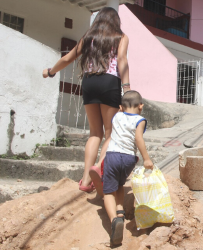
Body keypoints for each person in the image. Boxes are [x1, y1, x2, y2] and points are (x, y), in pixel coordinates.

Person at [42, 7, 131, 192]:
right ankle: (98, 168)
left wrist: (51, 71)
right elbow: (122, 59)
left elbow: (67, 58)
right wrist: (127, 88)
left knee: (94, 133)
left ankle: (84, 180)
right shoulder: (121, 37)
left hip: (89, 82)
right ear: (116, 21)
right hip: (110, 82)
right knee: (110, 133)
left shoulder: (88, 37)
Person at [101, 90, 153, 246]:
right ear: (141, 106)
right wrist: (146, 159)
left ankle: (114, 220)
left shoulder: (116, 116)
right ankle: (120, 211)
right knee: (120, 184)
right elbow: (138, 138)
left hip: (113, 156)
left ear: (121, 107)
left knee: (108, 191)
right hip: (129, 158)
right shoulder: (140, 120)